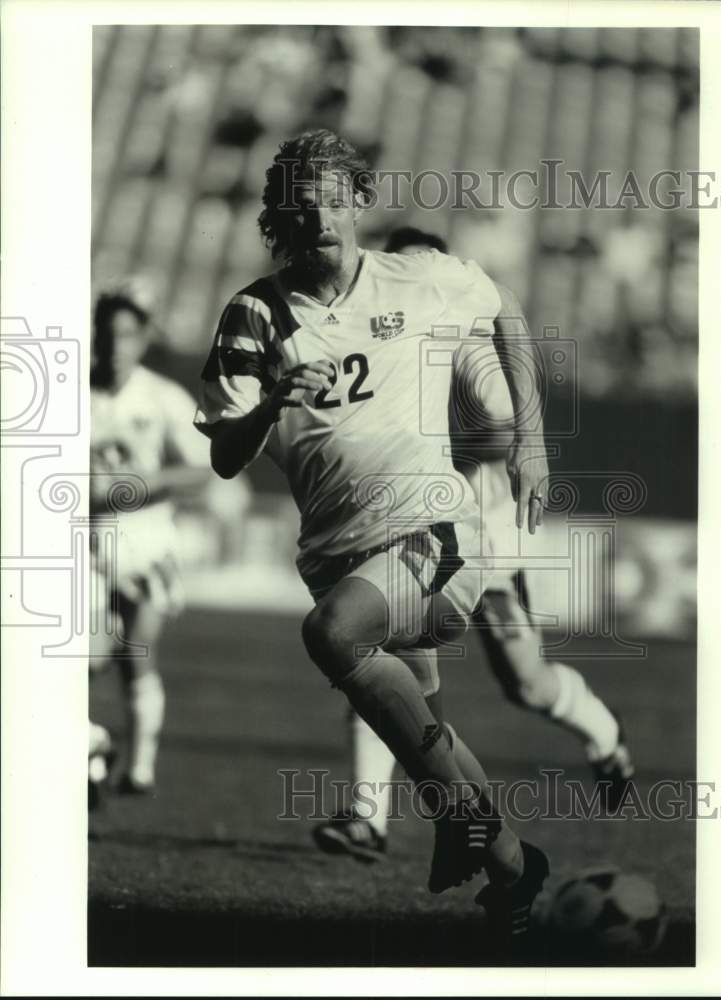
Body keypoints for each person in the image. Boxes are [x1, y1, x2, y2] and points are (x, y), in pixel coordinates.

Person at [194, 130, 552, 953]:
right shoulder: (255, 312)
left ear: (358, 201)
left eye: (331, 193)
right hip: (336, 553)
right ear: (279, 213)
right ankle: (511, 870)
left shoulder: (421, 278)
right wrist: (267, 402)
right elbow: (223, 456)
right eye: (299, 196)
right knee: (428, 729)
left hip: (435, 532)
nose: (316, 208)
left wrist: (531, 445)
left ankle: (453, 818)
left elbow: (507, 311)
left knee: (333, 635)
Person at [313, 227, 634, 860]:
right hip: (413, 534)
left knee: (526, 684)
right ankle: (367, 819)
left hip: (486, 537)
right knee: (380, 657)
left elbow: (499, 433)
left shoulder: (463, 344)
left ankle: (603, 735)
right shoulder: (373, 344)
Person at [89, 278, 211, 804]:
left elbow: (202, 472)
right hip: (82, 548)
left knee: (137, 654)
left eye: (127, 335)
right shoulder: (72, 394)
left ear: (142, 340)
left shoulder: (162, 397)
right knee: (83, 662)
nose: (116, 346)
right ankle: (92, 752)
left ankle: (138, 767)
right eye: (107, 334)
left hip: (147, 546)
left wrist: (139, 485)